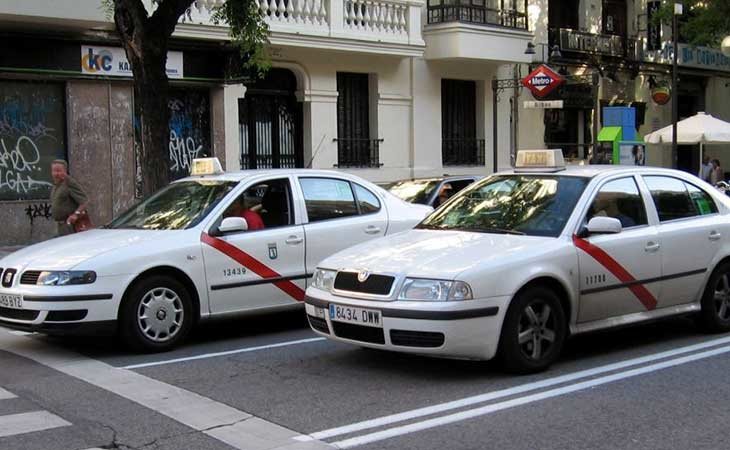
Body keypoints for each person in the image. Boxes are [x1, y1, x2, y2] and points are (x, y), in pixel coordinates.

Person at [50, 159, 89, 237]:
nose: (56, 174)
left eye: (59, 171)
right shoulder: (56, 184)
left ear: (65, 171)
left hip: (69, 225)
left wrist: (75, 215)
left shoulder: (69, 183)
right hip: (59, 225)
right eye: (54, 171)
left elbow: (84, 201)